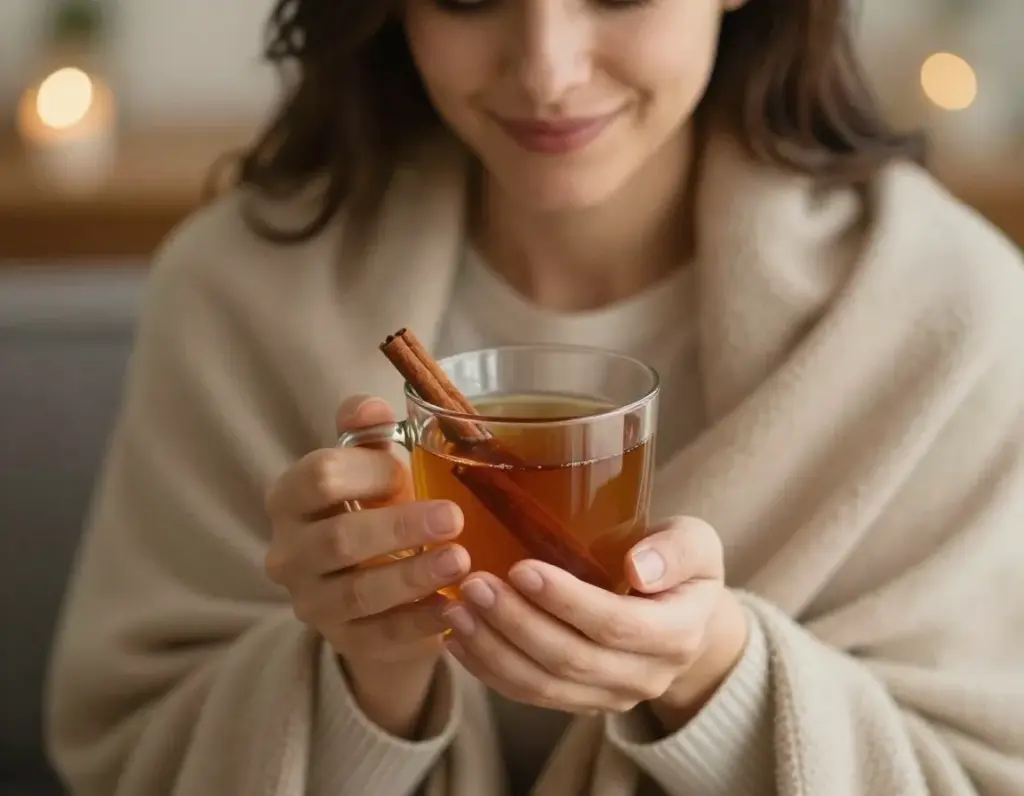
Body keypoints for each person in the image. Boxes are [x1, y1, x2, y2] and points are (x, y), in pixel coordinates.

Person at [45, 0, 1024, 794]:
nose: (546, 69)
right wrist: (360, 676)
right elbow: (128, 752)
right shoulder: (236, 292)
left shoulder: (938, 312)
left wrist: (713, 677)